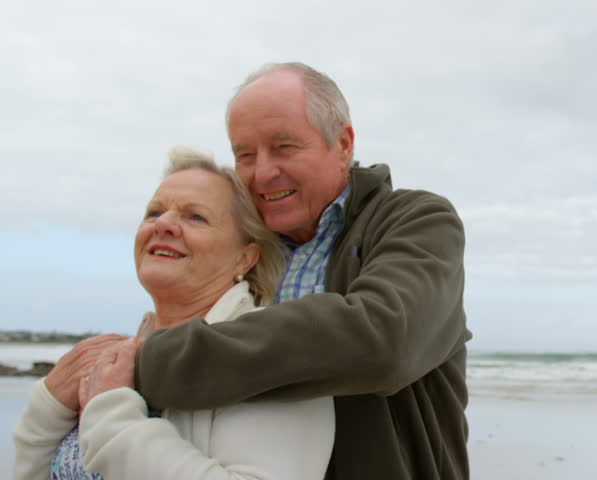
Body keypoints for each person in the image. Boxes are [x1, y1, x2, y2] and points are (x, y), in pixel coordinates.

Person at [131, 62, 472, 479]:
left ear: (343, 144)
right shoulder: (246, 245)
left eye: (284, 147)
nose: (262, 172)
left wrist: (147, 364)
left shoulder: (416, 220)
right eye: (245, 154)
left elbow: (384, 340)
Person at [13, 149, 335, 480]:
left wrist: (112, 417)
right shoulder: (115, 362)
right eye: (154, 212)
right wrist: (47, 409)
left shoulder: (275, 357)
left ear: (246, 258)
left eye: (195, 217)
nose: (164, 224)